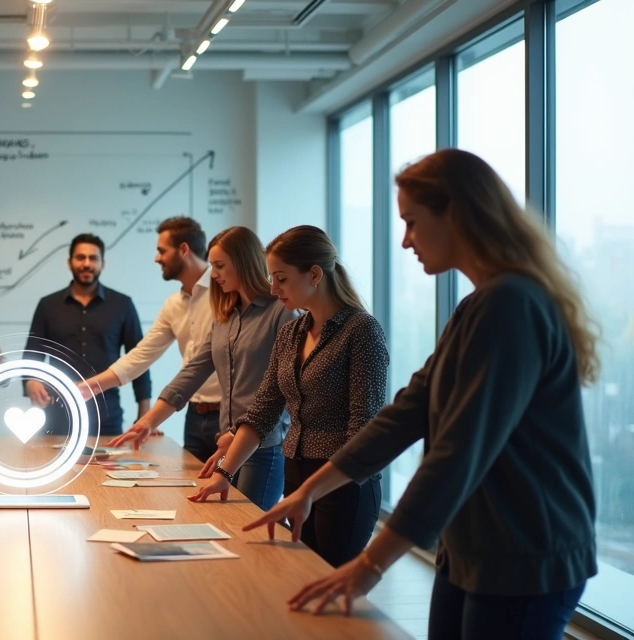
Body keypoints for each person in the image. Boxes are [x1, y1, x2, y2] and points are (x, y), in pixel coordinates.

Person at [246, 150, 597, 640]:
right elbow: (404, 414)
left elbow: (458, 451)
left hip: (524, 551)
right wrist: (308, 491)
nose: (405, 239)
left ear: (455, 212)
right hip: (473, 543)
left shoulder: (509, 305)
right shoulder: (477, 305)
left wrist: (371, 563)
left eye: (412, 221)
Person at [189, 225, 388, 569]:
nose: (272, 288)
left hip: (344, 485)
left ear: (313, 274)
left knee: (329, 591)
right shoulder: (291, 333)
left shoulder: (361, 331)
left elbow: (364, 428)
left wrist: (315, 488)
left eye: (281, 278)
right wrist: (225, 472)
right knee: (302, 580)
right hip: (297, 476)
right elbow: (262, 411)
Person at [109, 227, 299, 511]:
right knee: (229, 522)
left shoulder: (282, 312)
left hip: (265, 447)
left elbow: (285, 389)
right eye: (212, 266)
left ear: (244, 262)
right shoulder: (225, 317)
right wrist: (147, 423)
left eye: (220, 266)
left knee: (247, 529)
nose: (214, 274)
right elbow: (192, 373)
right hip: (228, 444)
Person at [78, 217, 222, 460]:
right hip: (194, 416)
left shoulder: (225, 293)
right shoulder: (173, 305)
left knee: (238, 497)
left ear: (184, 250)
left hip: (229, 415)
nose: (157, 258)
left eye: (161, 251)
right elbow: (142, 354)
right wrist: (91, 386)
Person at [23, 233, 150, 437]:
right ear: (69, 262)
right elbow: (32, 353)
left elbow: (139, 360)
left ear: (103, 263)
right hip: (56, 415)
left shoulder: (122, 305)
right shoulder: (47, 305)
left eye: (93, 258)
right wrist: (30, 380)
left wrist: (145, 412)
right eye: (80, 258)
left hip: (106, 416)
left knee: (105, 470)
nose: (87, 264)